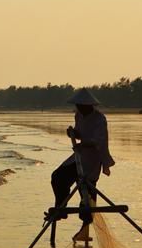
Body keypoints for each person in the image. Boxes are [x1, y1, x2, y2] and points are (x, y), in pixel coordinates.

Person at [49, 89, 115, 237]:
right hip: (79, 156)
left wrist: (84, 144)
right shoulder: (79, 115)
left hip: (92, 158)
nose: (79, 108)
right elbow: (79, 133)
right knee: (58, 177)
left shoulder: (99, 119)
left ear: (89, 105)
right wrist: (73, 133)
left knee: (86, 191)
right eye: (78, 105)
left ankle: (85, 226)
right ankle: (61, 207)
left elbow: (99, 141)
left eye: (81, 105)